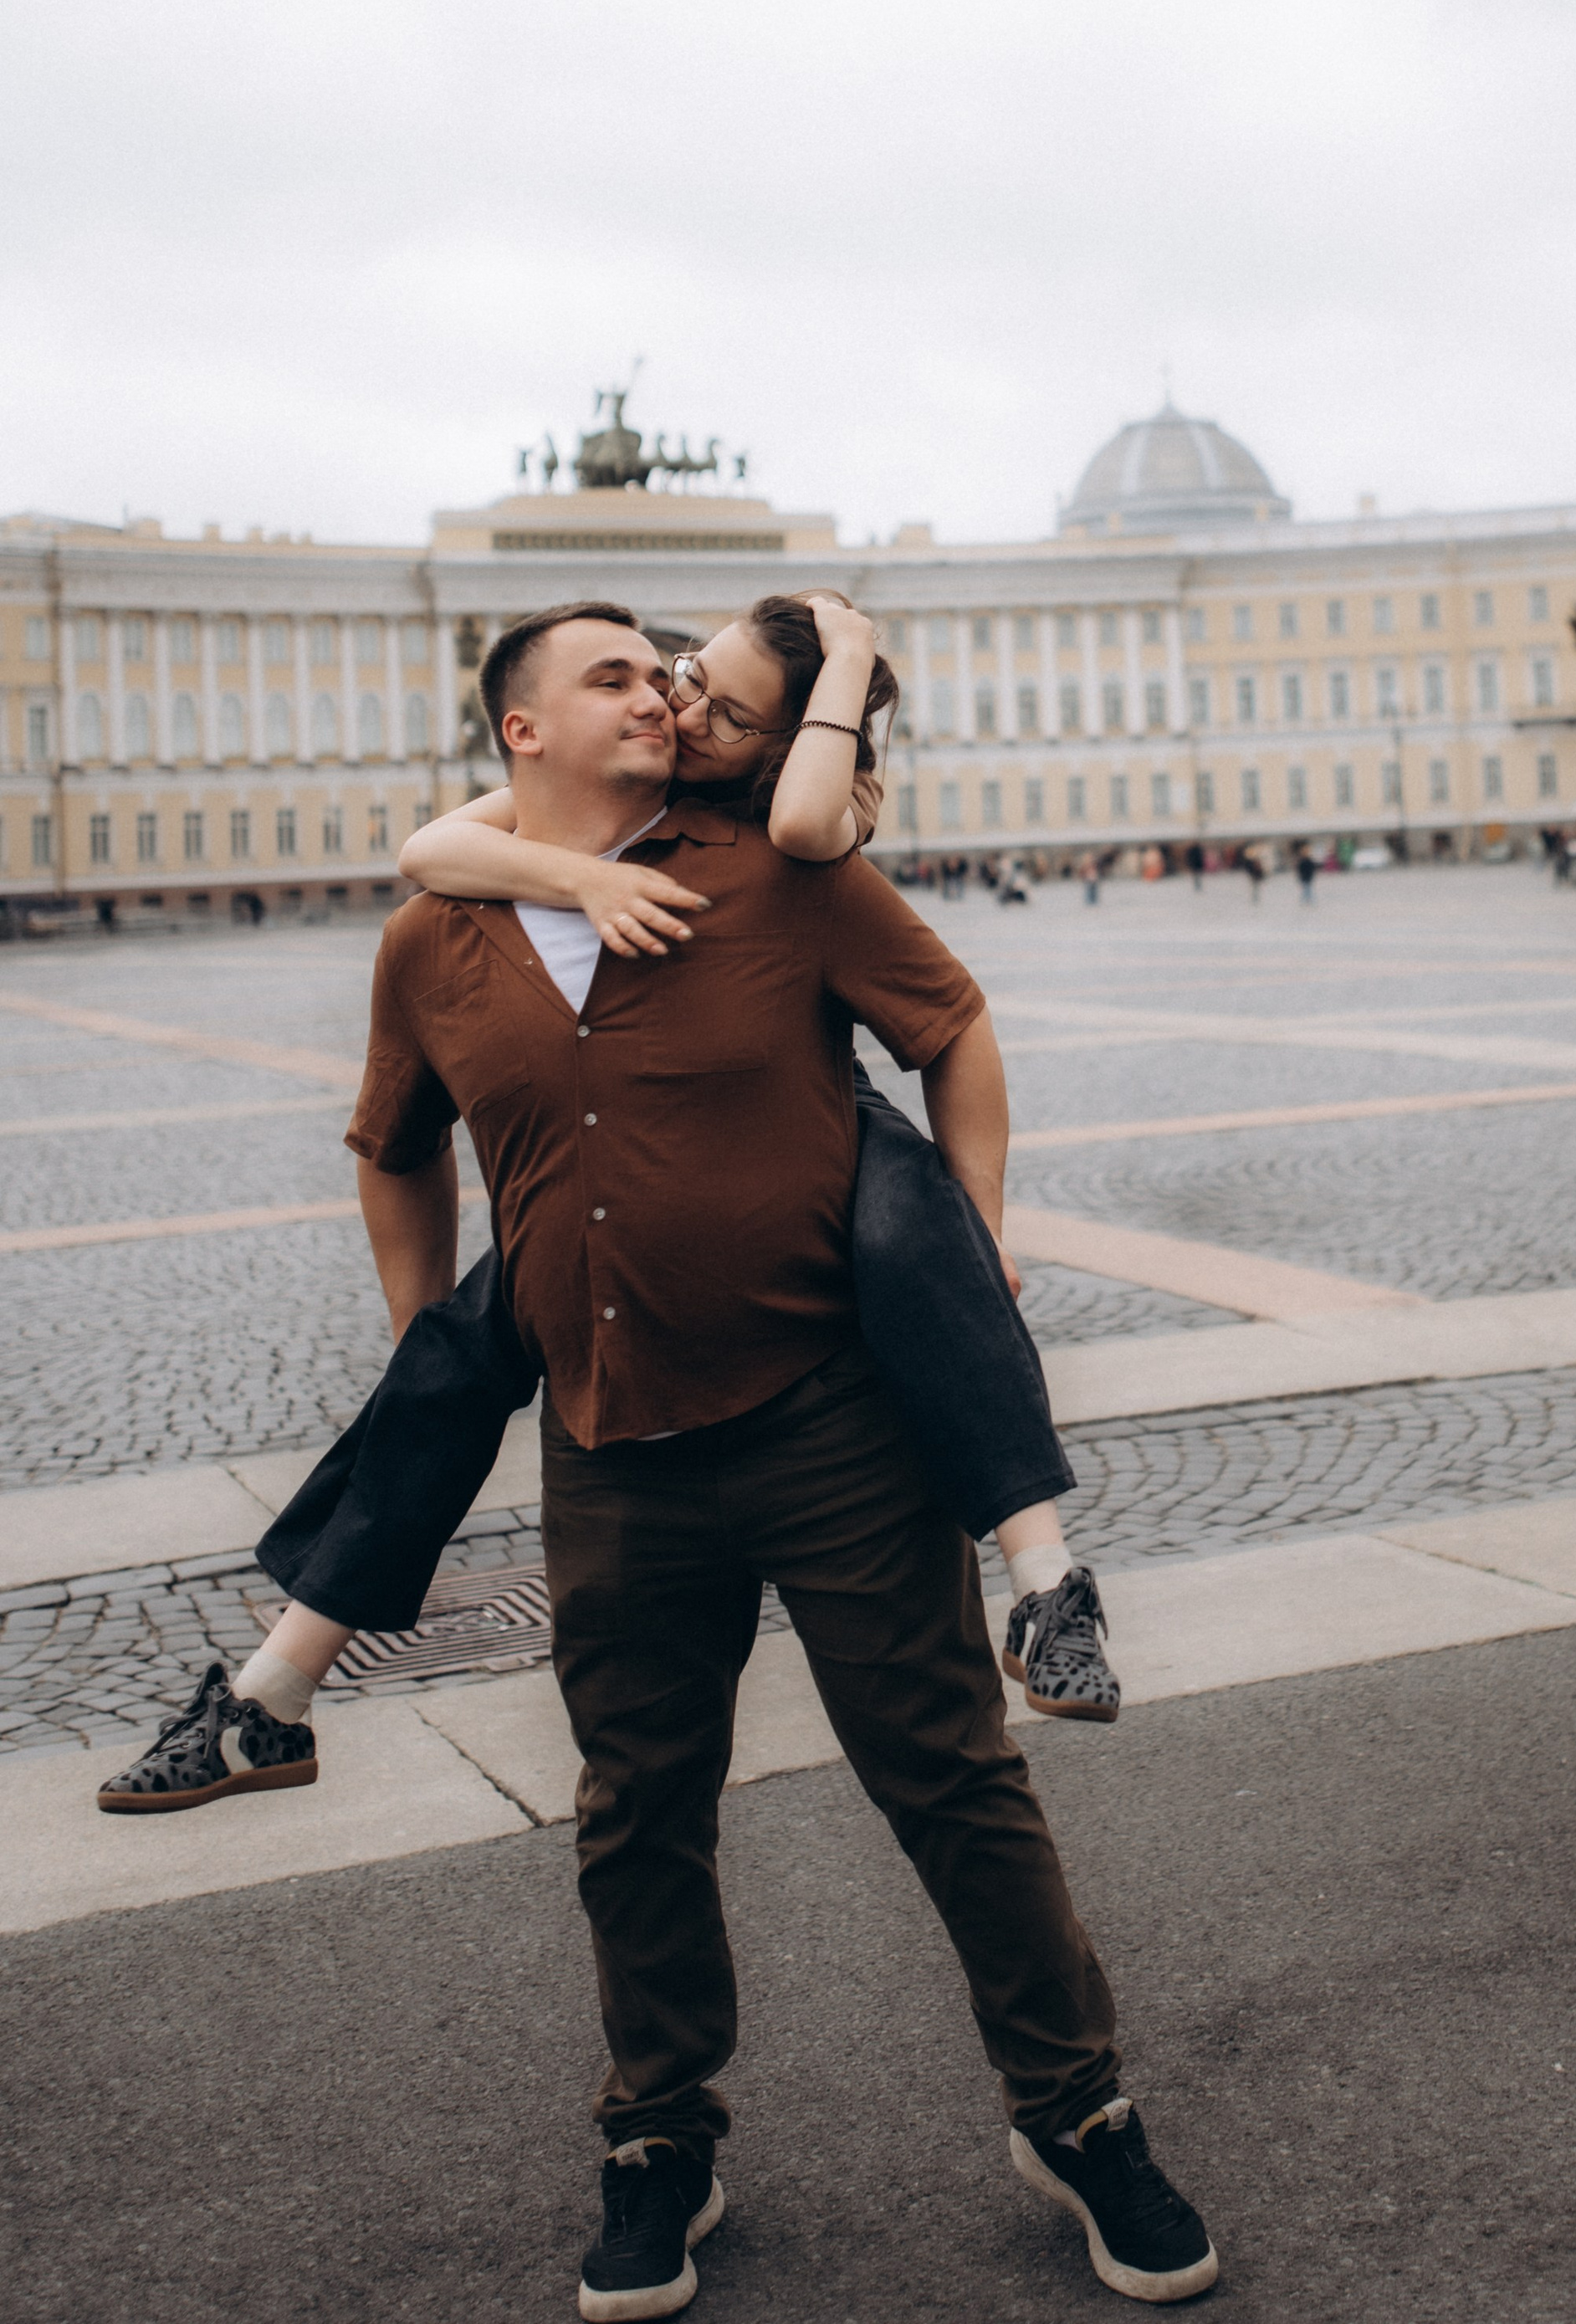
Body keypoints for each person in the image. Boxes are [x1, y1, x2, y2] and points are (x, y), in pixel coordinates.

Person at [110, 605, 1217, 2316]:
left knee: (950, 1777)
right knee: (637, 1809)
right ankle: (658, 2140)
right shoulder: (436, 935)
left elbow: (948, 1020)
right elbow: (393, 1145)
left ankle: (1075, 2111)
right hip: (608, 1447)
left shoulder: (779, 871)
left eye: (668, 670)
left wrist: (970, 1233)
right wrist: (425, 1324)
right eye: (616, 675)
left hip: (832, 1420)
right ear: (523, 730)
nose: (662, 695)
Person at [97, 597, 1118, 1784]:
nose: (675, 706)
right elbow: (429, 858)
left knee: (933, 1252)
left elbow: (852, 886)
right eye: (675, 676)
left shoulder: (794, 826)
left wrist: (846, 660)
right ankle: (270, 1691)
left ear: (791, 738)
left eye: (719, 708)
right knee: (439, 1366)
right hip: (597, 1235)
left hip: (827, 1139)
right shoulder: (550, 852)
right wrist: (575, 880)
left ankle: (1047, 1578)